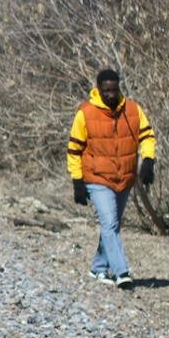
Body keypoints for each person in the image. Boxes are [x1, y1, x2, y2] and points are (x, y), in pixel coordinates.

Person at [66, 66, 156, 287]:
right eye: (106, 91)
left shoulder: (133, 110)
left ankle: (98, 268)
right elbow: (74, 150)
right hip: (97, 178)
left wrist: (148, 161)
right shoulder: (85, 113)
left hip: (124, 178)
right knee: (110, 223)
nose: (111, 95)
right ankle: (121, 272)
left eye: (114, 90)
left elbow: (147, 136)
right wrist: (77, 182)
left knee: (112, 225)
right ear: (98, 89)